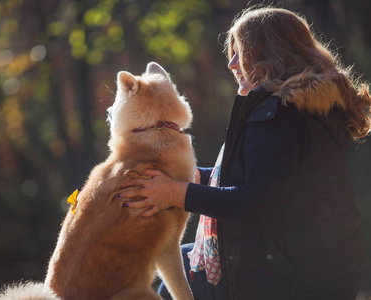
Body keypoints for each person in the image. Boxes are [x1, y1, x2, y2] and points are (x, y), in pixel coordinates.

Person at [118, 5, 371, 300]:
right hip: (323, 267)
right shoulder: (310, 106)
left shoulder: (278, 115)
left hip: (288, 281)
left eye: (242, 53)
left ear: (271, 54)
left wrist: (175, 192)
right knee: (181, 264)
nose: (232, 64)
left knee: (173, 275)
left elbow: (253, 204)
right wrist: (196, 177)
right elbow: (267, 179)